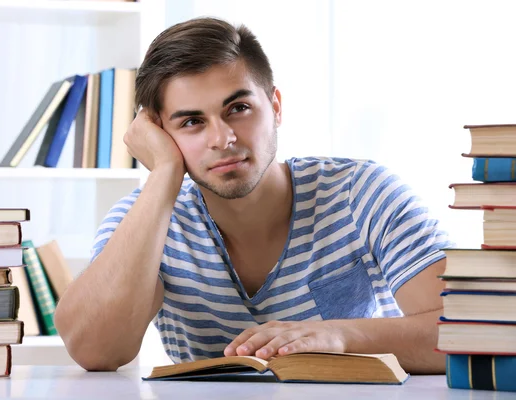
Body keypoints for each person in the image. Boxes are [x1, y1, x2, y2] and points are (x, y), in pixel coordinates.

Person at [54, 17, 452, 374]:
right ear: (160, 133)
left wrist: (339, 336)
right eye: (191, 122)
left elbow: (478, 332)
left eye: (239, 108)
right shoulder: (145, 219)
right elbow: (95, 351)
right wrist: (164, 174)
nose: (222, 139)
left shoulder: (361, 193)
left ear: (275, 107)